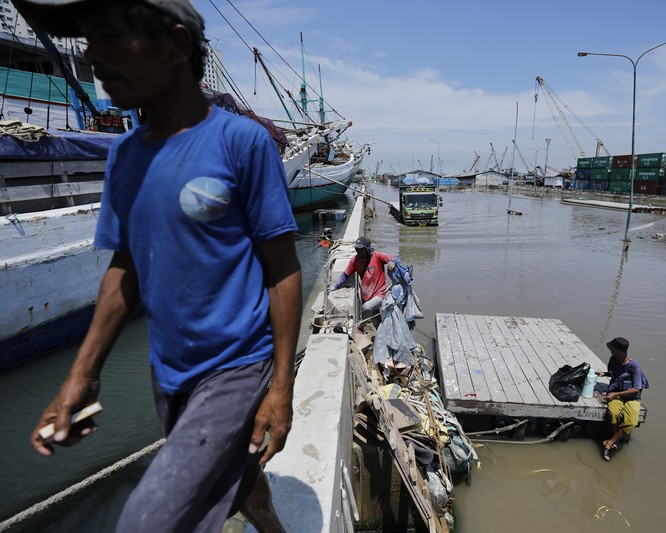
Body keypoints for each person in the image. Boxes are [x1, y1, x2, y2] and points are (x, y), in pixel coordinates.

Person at [18, 1, 301, 531]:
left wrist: (281, 388)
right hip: (169, 370)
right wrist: (83, 373)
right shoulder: (125, 154)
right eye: (88, 42)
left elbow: (282, 269)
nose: (94, 57)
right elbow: (125, 270)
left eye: (108, 37)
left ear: (175, 46)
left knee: (147, 522)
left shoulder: (242, 142)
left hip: (236, 364)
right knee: (236, 477)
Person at [596, 337, 649, 462]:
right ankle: (616, 441)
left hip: (631, 398)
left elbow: (636, 388)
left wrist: (615, 394)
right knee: (614, 413)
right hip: (616, 394)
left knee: (630, 422)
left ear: (619, 352)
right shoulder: (613, 360)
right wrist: (605, 374)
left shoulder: (634, 366)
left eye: (612, 350)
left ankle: (609, 443)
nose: (611, 352)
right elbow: (614, 373)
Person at [333, 235, 396, 316]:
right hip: (366, 296)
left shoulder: (377, 256)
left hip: (379, 294)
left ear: (367, 248)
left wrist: (391, 261)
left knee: (365, 308)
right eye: (356, 249)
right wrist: (336, 286)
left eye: (361, 249)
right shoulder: (354, 260)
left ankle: (359, 327)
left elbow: (393, 258)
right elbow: (345, 275)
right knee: (375, 319)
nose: (358, 251)